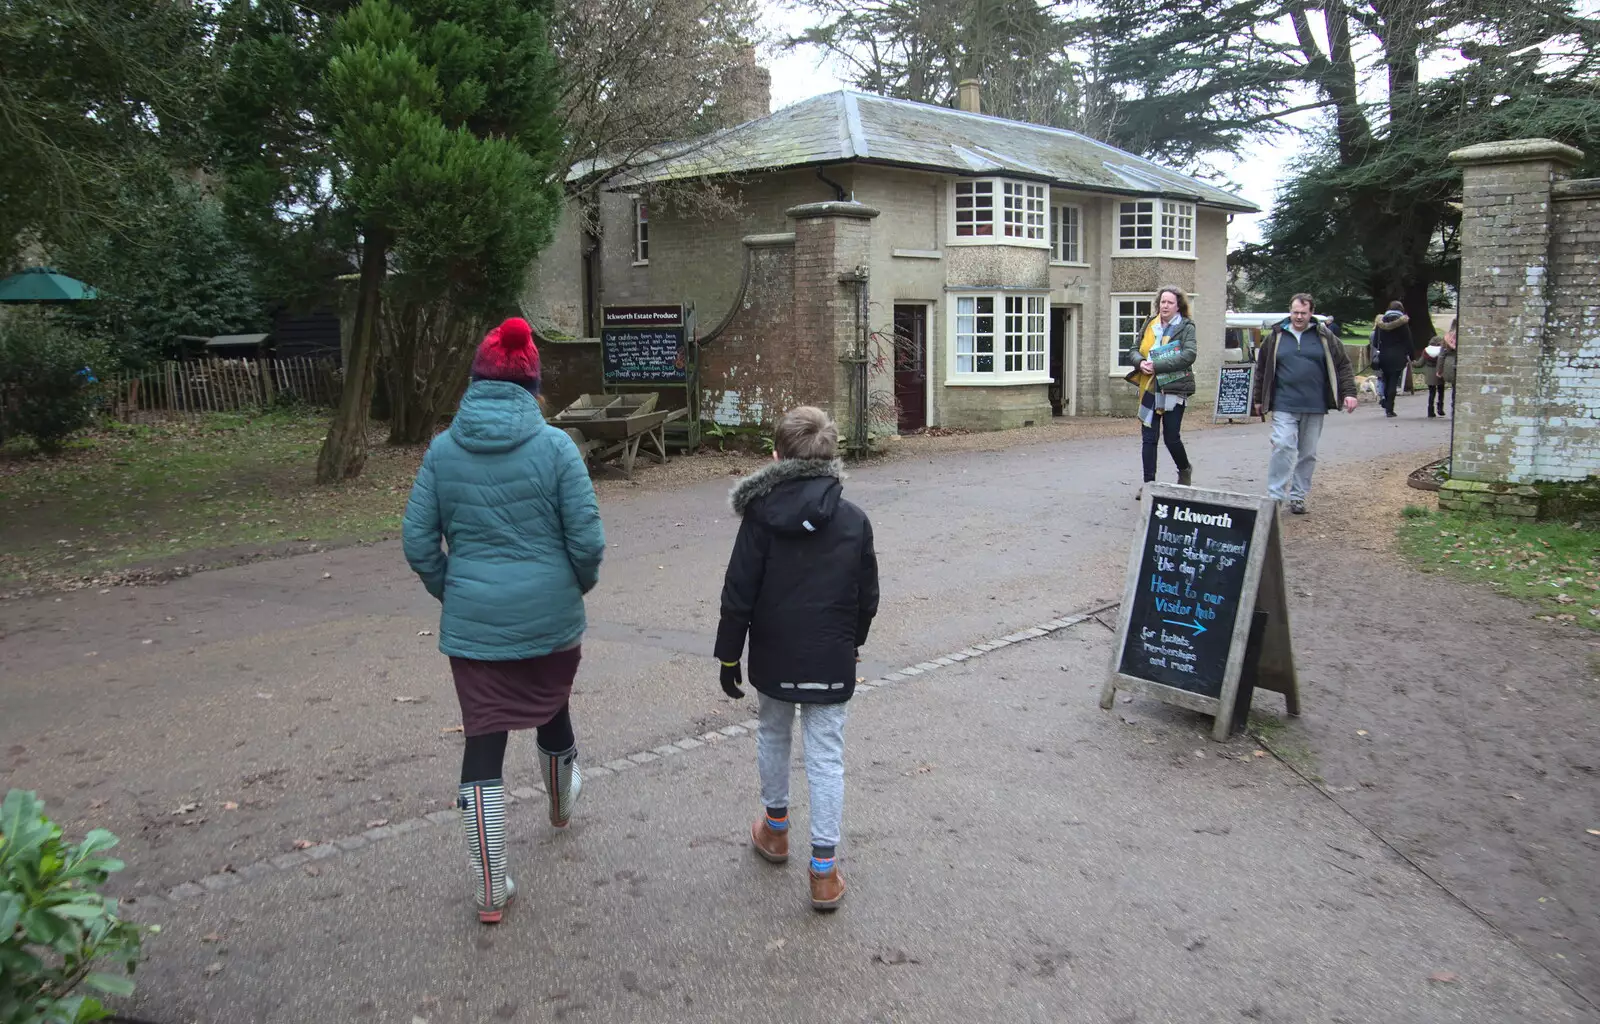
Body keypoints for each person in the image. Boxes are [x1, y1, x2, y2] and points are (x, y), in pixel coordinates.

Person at [402, 317, 606, 924]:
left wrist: (455, 591)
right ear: (532, 385)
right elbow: (588, 542)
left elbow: (418, 542)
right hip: (550, 616)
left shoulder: (442, 450)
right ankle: (560, 805)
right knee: (553, 706)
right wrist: (573, 586)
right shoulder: (556, 448)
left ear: (476, 381)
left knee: (483, 740)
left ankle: (492, 887)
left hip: (476, 624)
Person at [714, 406, 879, 911]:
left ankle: (776, 830)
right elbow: (867, 597)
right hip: (831, 657)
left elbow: (738, 591)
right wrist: (853, 642)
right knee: (827, 756)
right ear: (831, 457)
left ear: (776, 456)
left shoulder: (759, 519)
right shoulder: (853, 520)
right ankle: (824, 871)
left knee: (773, 733)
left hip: (774, 654)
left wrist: (728, 656)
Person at [1252, 293, 1358, 514]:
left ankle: (1298, 496)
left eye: (1303, 313)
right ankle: (1275, 496)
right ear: (1289, 311)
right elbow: (1262, 369)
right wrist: (1258, 399)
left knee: (1307, 453)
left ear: (1311, 313)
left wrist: (1349, 393)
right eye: (1295, 312)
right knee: (1282, 444)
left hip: (1314, 403)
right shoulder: (1276, 336)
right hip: (1284, 402)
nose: (1298, 317)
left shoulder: (1324, 336)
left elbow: (1343, 366)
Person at [1125, 286, 1197, 499]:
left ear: (1178, 306)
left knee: (1172, 437)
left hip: (1174, 387)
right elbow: (1133, 350)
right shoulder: (1150, 323)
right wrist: (1140, 363)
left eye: (1170, 303)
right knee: (1149, 438)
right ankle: (1149, 484)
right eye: (1162, 302)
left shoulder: (1186, 327)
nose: (1165, 306)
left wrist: (1158, 365)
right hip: (1150, 387)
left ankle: (1184, 469)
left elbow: (1189, 355)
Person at [1371, 301, 1412, 418]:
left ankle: (1384, 399)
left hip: (1383, 355)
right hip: (1398, 355)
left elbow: (1375, 341)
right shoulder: (1403, 323)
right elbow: (1408, 340)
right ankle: (1390, 408)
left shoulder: (1380, 322)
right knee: (1393, 380)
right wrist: (1411, 355)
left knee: (1385, 378)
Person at [1427, 317, 1458, 417]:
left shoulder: (1447, 338)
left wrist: (1439, 370)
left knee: (1454, 387)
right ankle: (1456, 410)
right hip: (1458, 362)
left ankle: (1453, 409)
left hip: (1449, 364)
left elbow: (1441, 356)